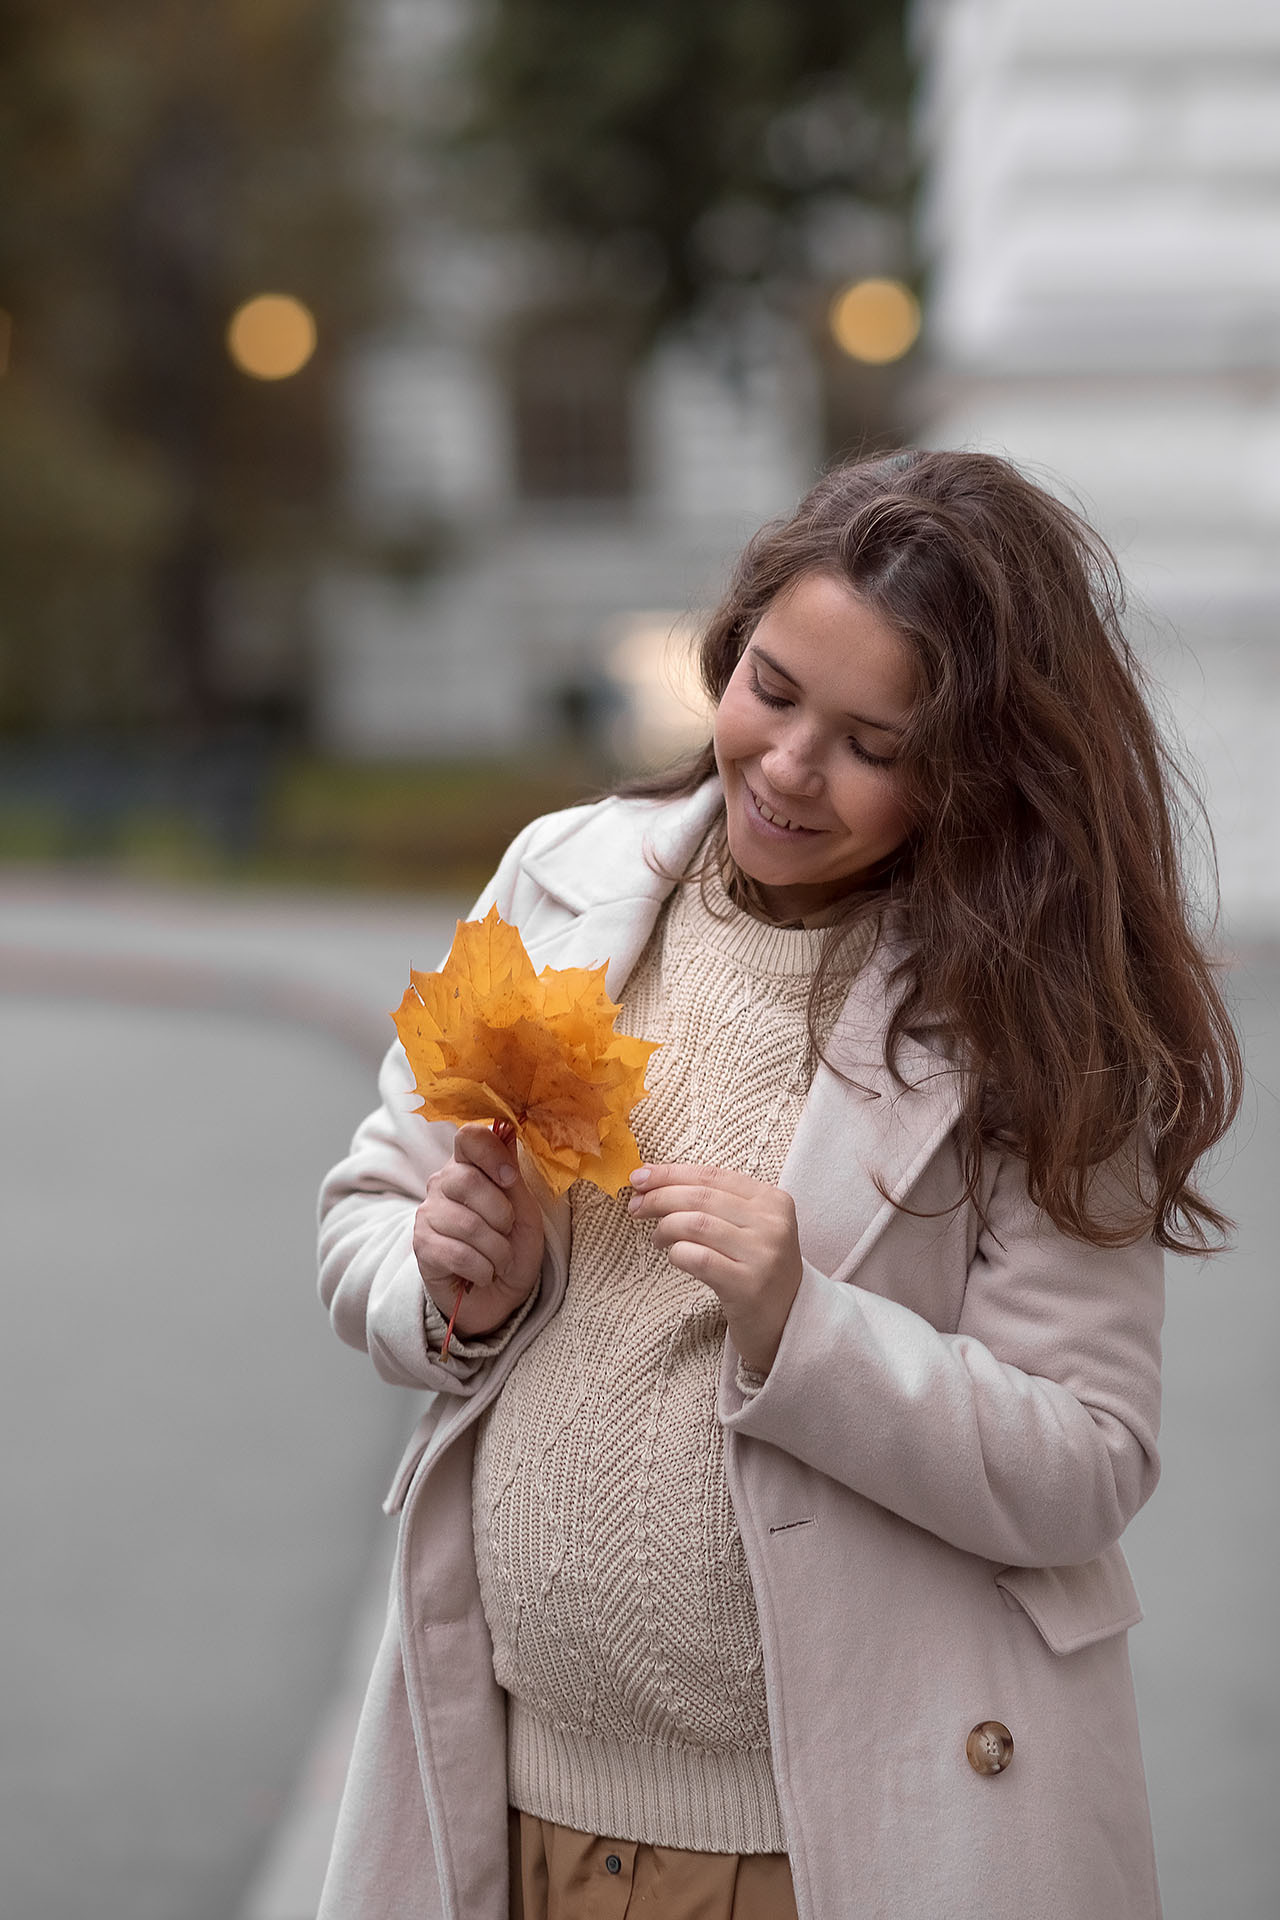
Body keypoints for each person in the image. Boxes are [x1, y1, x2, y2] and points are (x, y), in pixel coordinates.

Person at [315, 449, 1242, 1920]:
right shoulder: (566, 880)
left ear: (985, 768)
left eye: (878, 743)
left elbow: (1086, 1462)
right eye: (774, 687)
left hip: (832, 1851)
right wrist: (443, 1286)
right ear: (733, 641)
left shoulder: (1036, 1022)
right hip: (513, 1813)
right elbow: (367, 1208)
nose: (793, 766)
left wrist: (802, 1327)